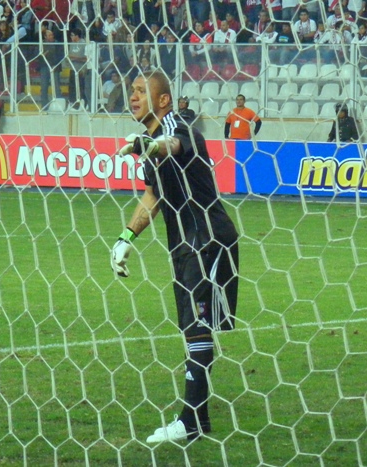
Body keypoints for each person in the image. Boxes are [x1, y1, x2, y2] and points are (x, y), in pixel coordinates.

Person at [110, 70, 239, 443]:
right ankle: (197, 420)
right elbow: (154, 194)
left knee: (197, 325)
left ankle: (190, 420)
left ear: (164, 99)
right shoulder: (152, 141)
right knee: (193, 327)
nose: (133, 96)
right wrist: (126, 237)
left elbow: (173, 145)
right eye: (131, 90)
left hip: (207, 239)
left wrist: (147, 145)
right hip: (187, 243)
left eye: (141, 91)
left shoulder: (178, 127)